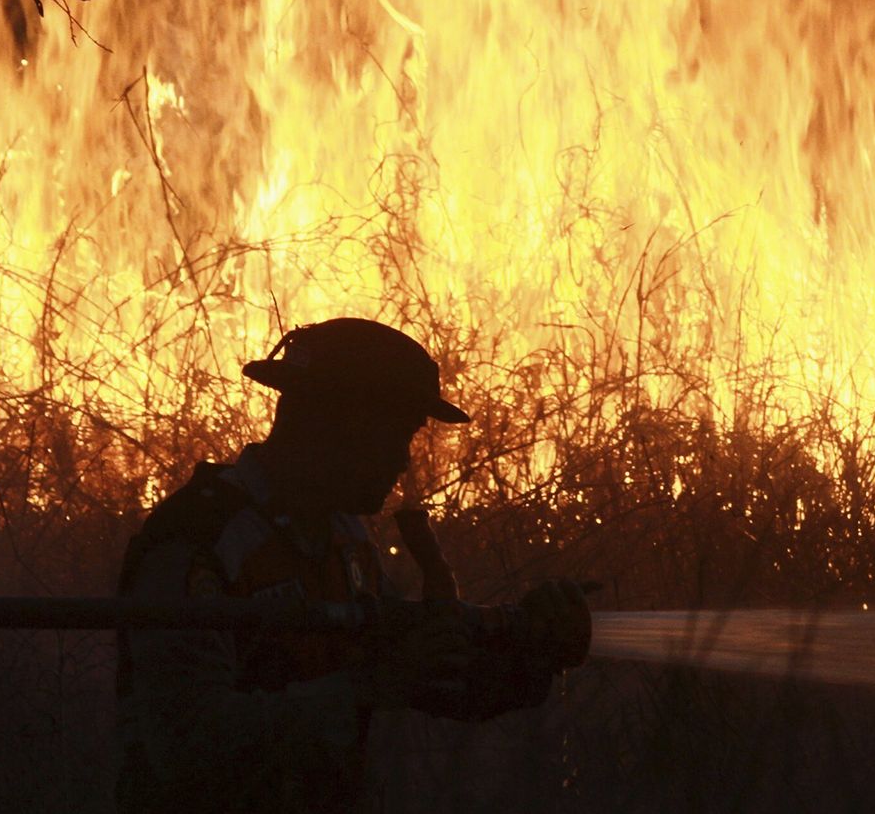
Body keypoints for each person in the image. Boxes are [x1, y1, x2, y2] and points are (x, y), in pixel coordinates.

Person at [114, 317, 591, 813]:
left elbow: (424, 676)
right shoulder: (199, 541)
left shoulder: (343, 539)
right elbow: (185, 744)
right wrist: (364, 687)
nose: (403, 461)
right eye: (395, 435)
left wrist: (533, 652)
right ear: (336, 423)